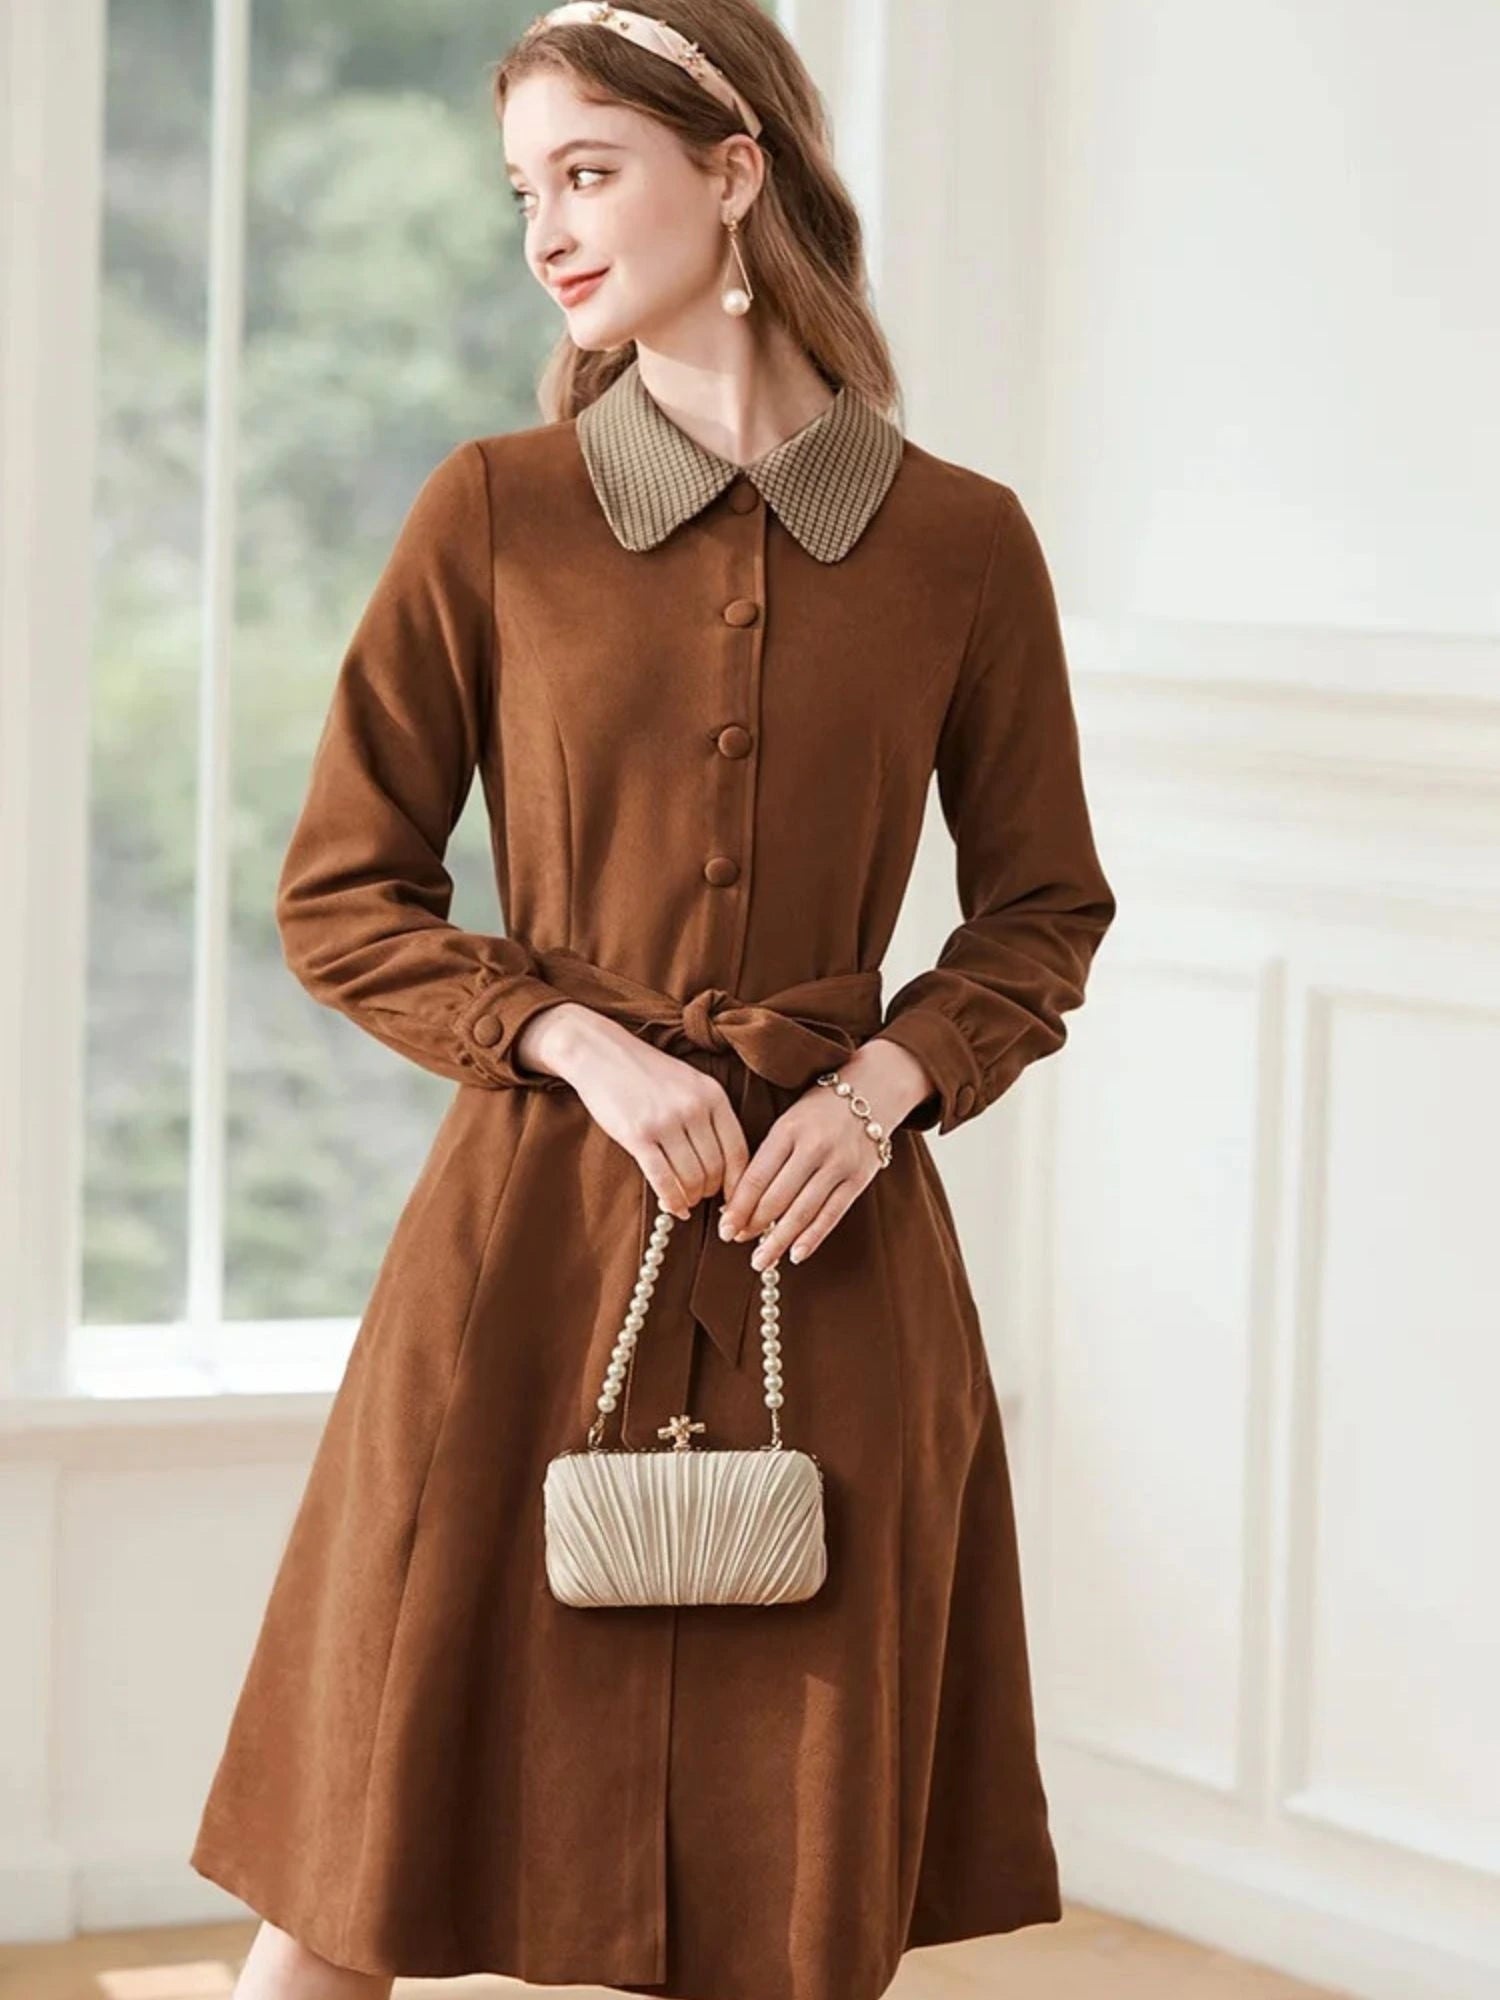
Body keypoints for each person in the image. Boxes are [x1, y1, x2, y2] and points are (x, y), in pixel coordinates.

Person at [189, 4, 1118, 1998]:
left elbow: (1043, 913)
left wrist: (881, 1089)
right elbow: (341, 892)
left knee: (784, 1896)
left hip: (828, 1254)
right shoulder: (495, 512)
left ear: (735, 168)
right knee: (354, 1853)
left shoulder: (963, 545)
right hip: (528, 1248)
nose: (547, 229)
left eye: (588, 171)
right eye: (526, 188)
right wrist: (577, 1037)